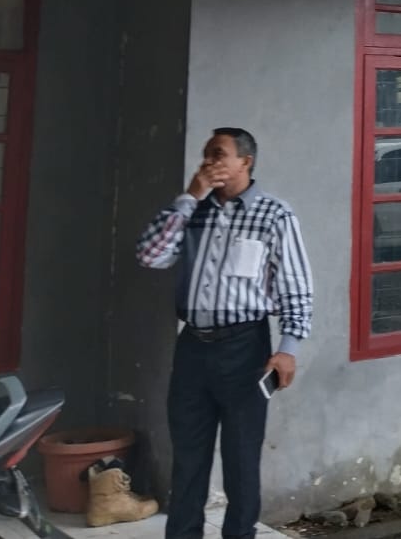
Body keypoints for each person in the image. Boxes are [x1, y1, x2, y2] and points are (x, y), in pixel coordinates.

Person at [136, 128, 313, 539]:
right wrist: (187, 198)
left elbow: (296, 286)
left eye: (218, 154)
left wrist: (288, 348)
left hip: (246, 349)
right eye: (205, 155)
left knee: (240, 459)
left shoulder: (274, 214)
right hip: (193, 347)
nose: (208, 163)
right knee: (189, 457)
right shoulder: (192, 211)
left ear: (245, 162)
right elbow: (150, 256)